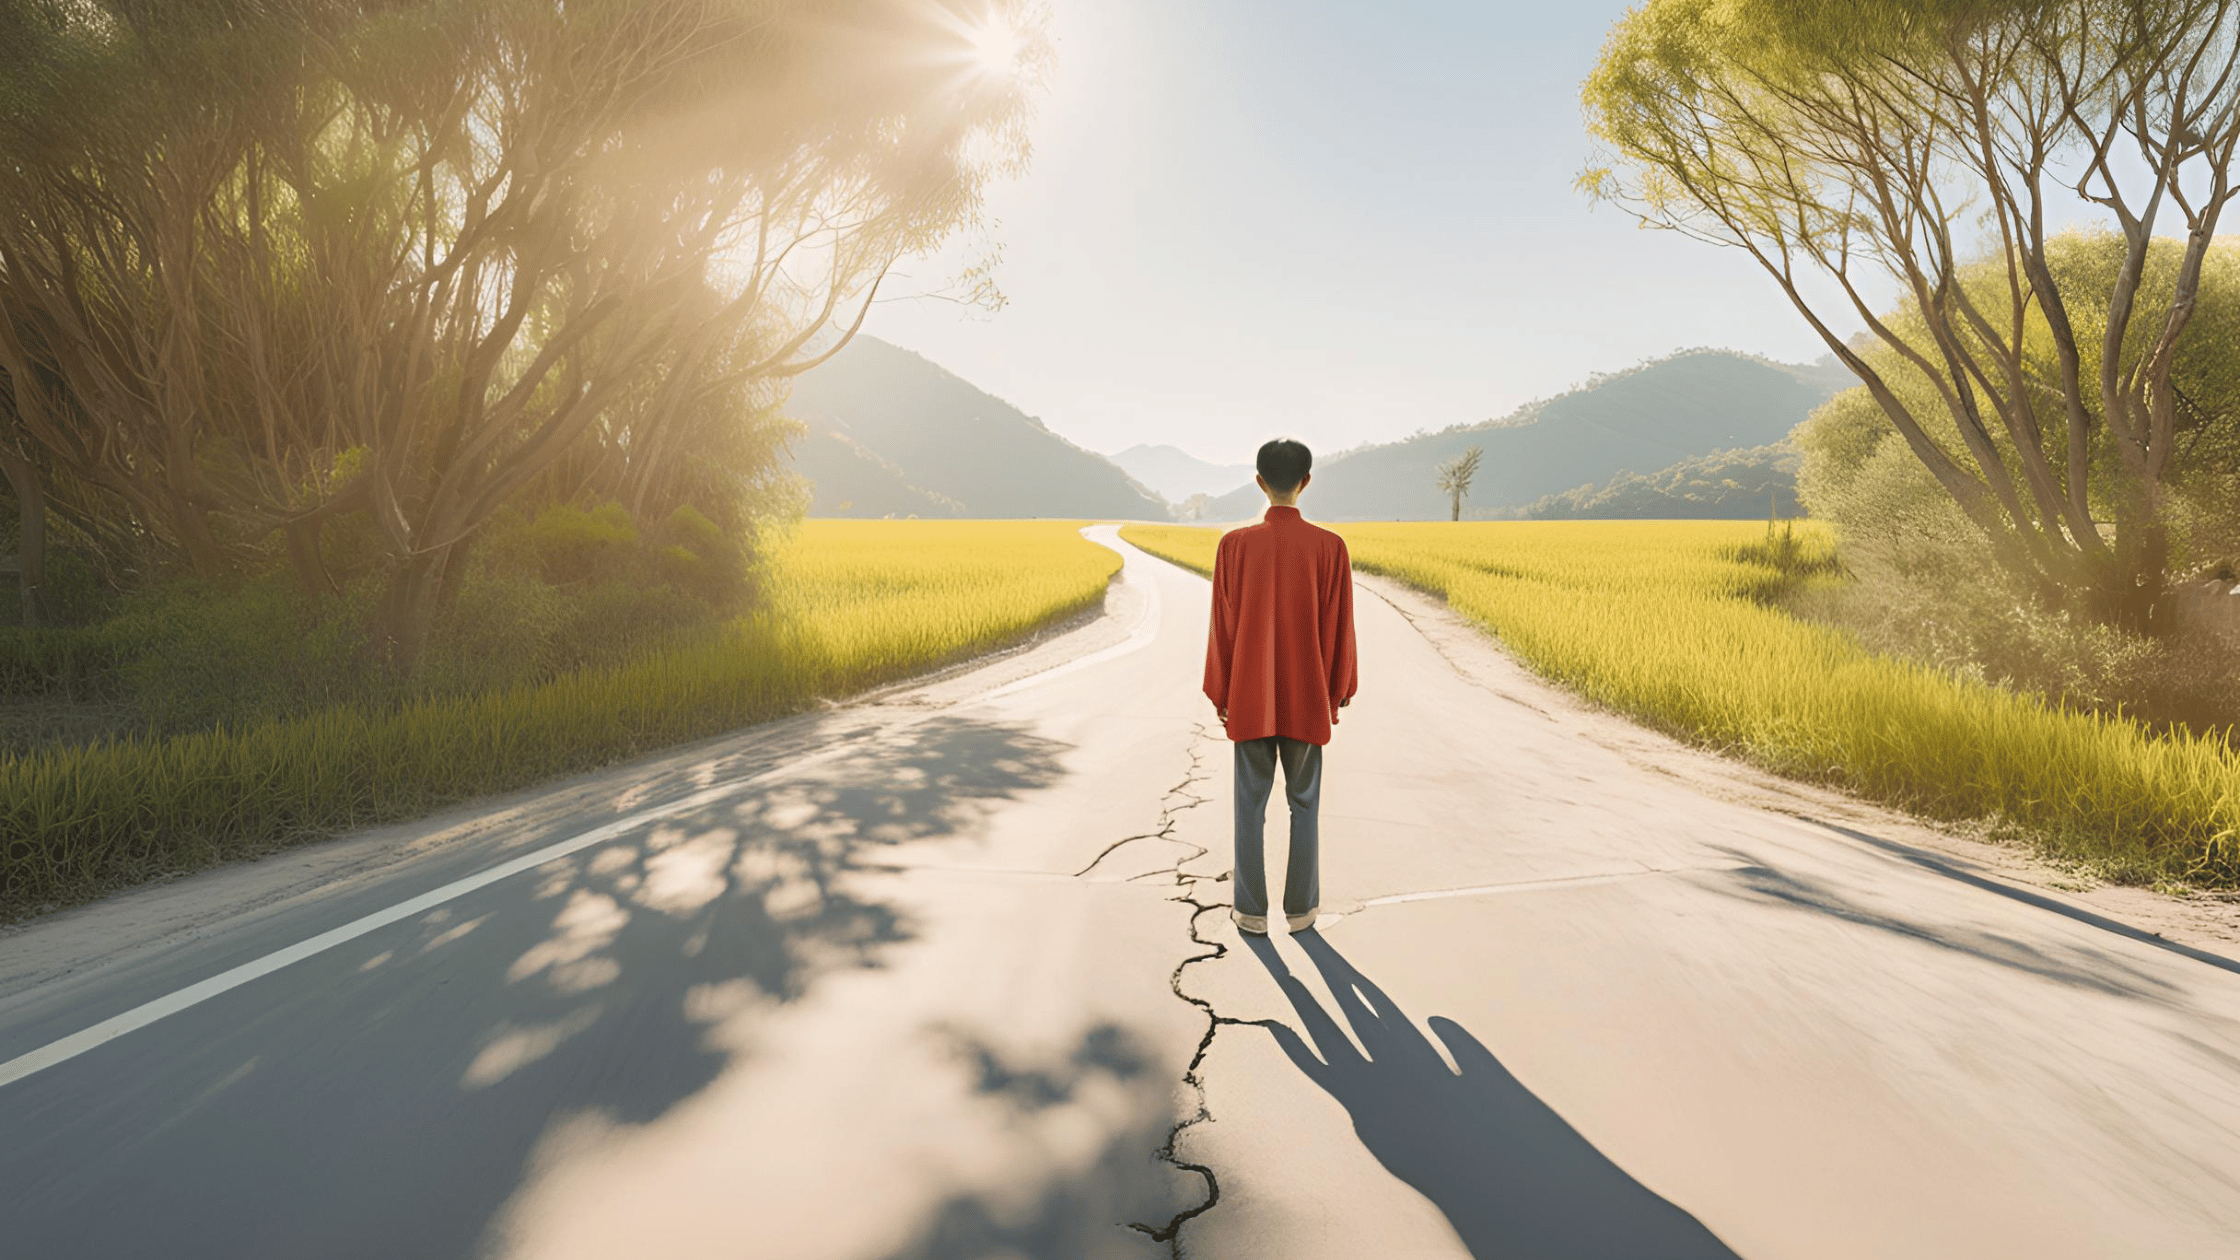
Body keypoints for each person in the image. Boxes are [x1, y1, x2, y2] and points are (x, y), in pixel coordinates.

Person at [1201, 438, 1359, 936]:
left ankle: (1250, 912)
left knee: (1248, 806)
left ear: (1259, 482)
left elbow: (1222, 626)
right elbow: (1339, 625)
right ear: (1306, 482)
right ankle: (1302, 910)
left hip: (1249, 697)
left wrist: (1223, 691)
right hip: (1307, 696)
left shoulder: (1234, 546)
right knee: (1304, 803)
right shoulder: (1330, 548)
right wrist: (1339, 688)